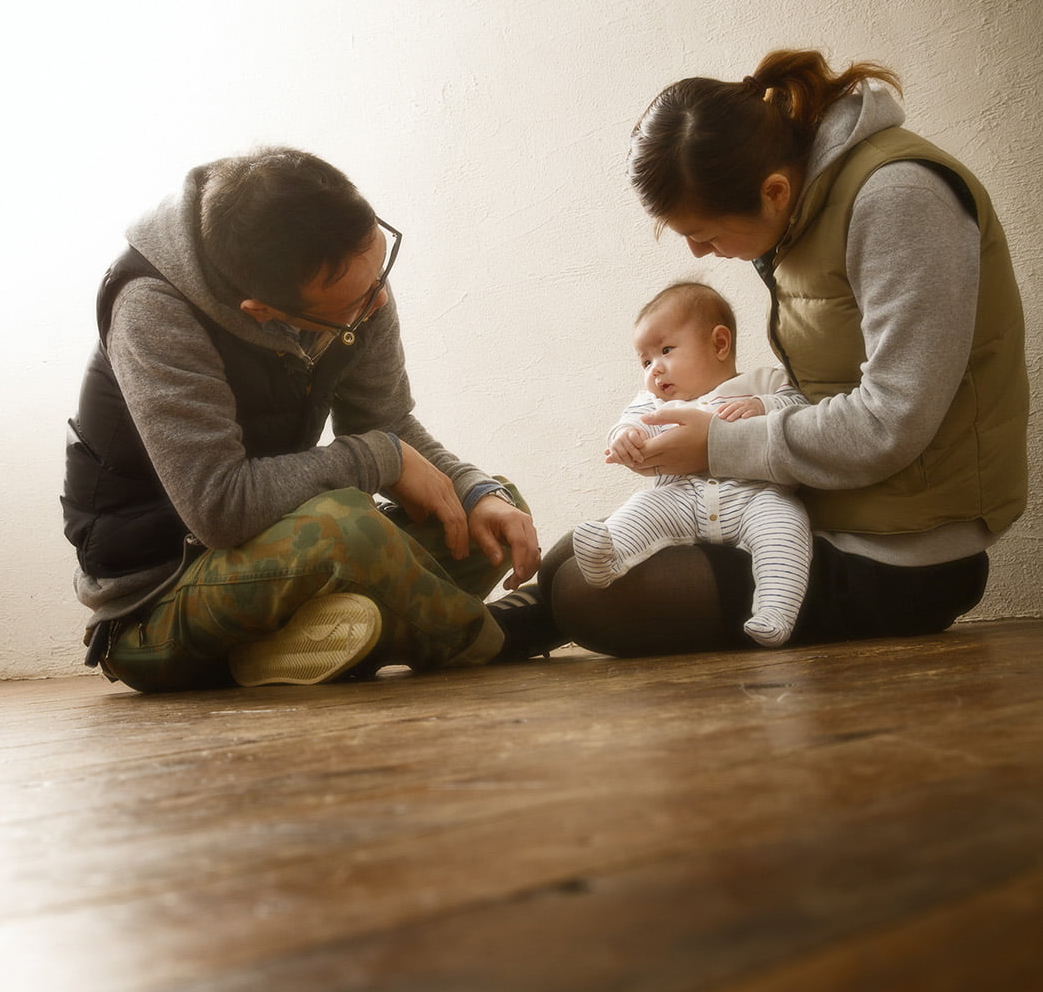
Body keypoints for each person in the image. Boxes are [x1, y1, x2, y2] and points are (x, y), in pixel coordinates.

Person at [537, 49, 1028, 656]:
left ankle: (494, 632)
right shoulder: (803, 212)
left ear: (772, 191)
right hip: (830, 513)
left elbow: (891, 421)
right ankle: (492, 636)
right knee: (568, 559)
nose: (696, 253)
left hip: (906, 550)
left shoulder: (900, 198)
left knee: (589, 596)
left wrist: (717, 445)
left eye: (705, 233)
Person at [62, 147, 544, 691]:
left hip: (275, 560)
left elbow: (388, 423)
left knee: (490, 513)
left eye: (380, 270)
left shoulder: (350, 278)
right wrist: (379, 458)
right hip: (155, 606)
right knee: (344, 525)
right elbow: (219, 508)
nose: (380, 301)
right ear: (261, 311)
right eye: (356, 302)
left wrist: (473, 490)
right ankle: (501, 637)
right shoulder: (150, 307)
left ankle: (288, 650)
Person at [572, 282, 812, 647]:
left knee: (786, 524)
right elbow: (630, 422)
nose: (655, 369)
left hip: (754, 496)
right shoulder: (651, 403)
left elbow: (801, 409)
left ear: (719, 344)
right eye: (646, 360)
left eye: (666, 350)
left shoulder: (763, 381)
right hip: (682, 497)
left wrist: (764, 407)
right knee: (642, 507)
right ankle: (609, 558)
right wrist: (624, 438)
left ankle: (775, 611)